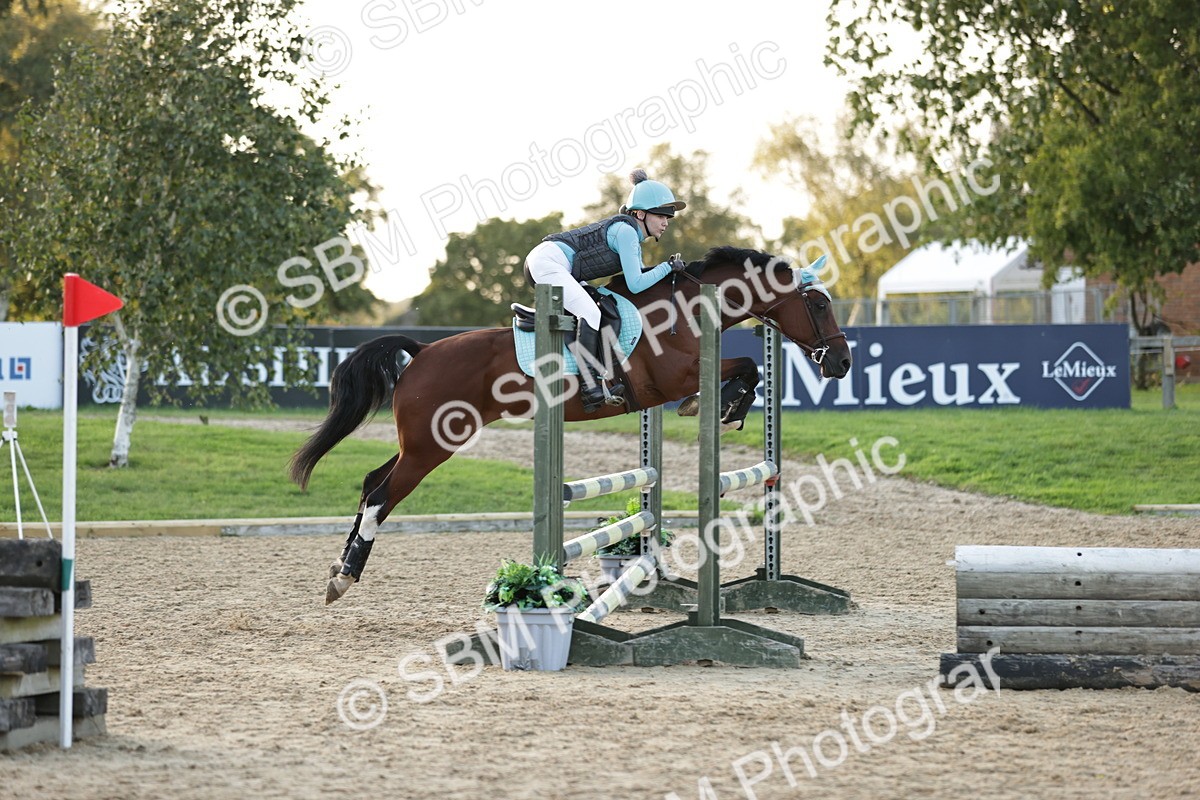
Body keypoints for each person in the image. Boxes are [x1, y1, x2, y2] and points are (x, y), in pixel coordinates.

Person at [524, 168, 687, 412]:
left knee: (600, 304)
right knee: (591, 313)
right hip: (548, 262)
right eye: (661, 215)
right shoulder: (626, 232)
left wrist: (666, 270)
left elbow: (638, 279)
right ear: (640, 214)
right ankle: (590, 386)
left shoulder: (630, 233)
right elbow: (636, 284)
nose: (665, 222)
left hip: (555, 264)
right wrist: (667, 267)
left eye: (668, 217)